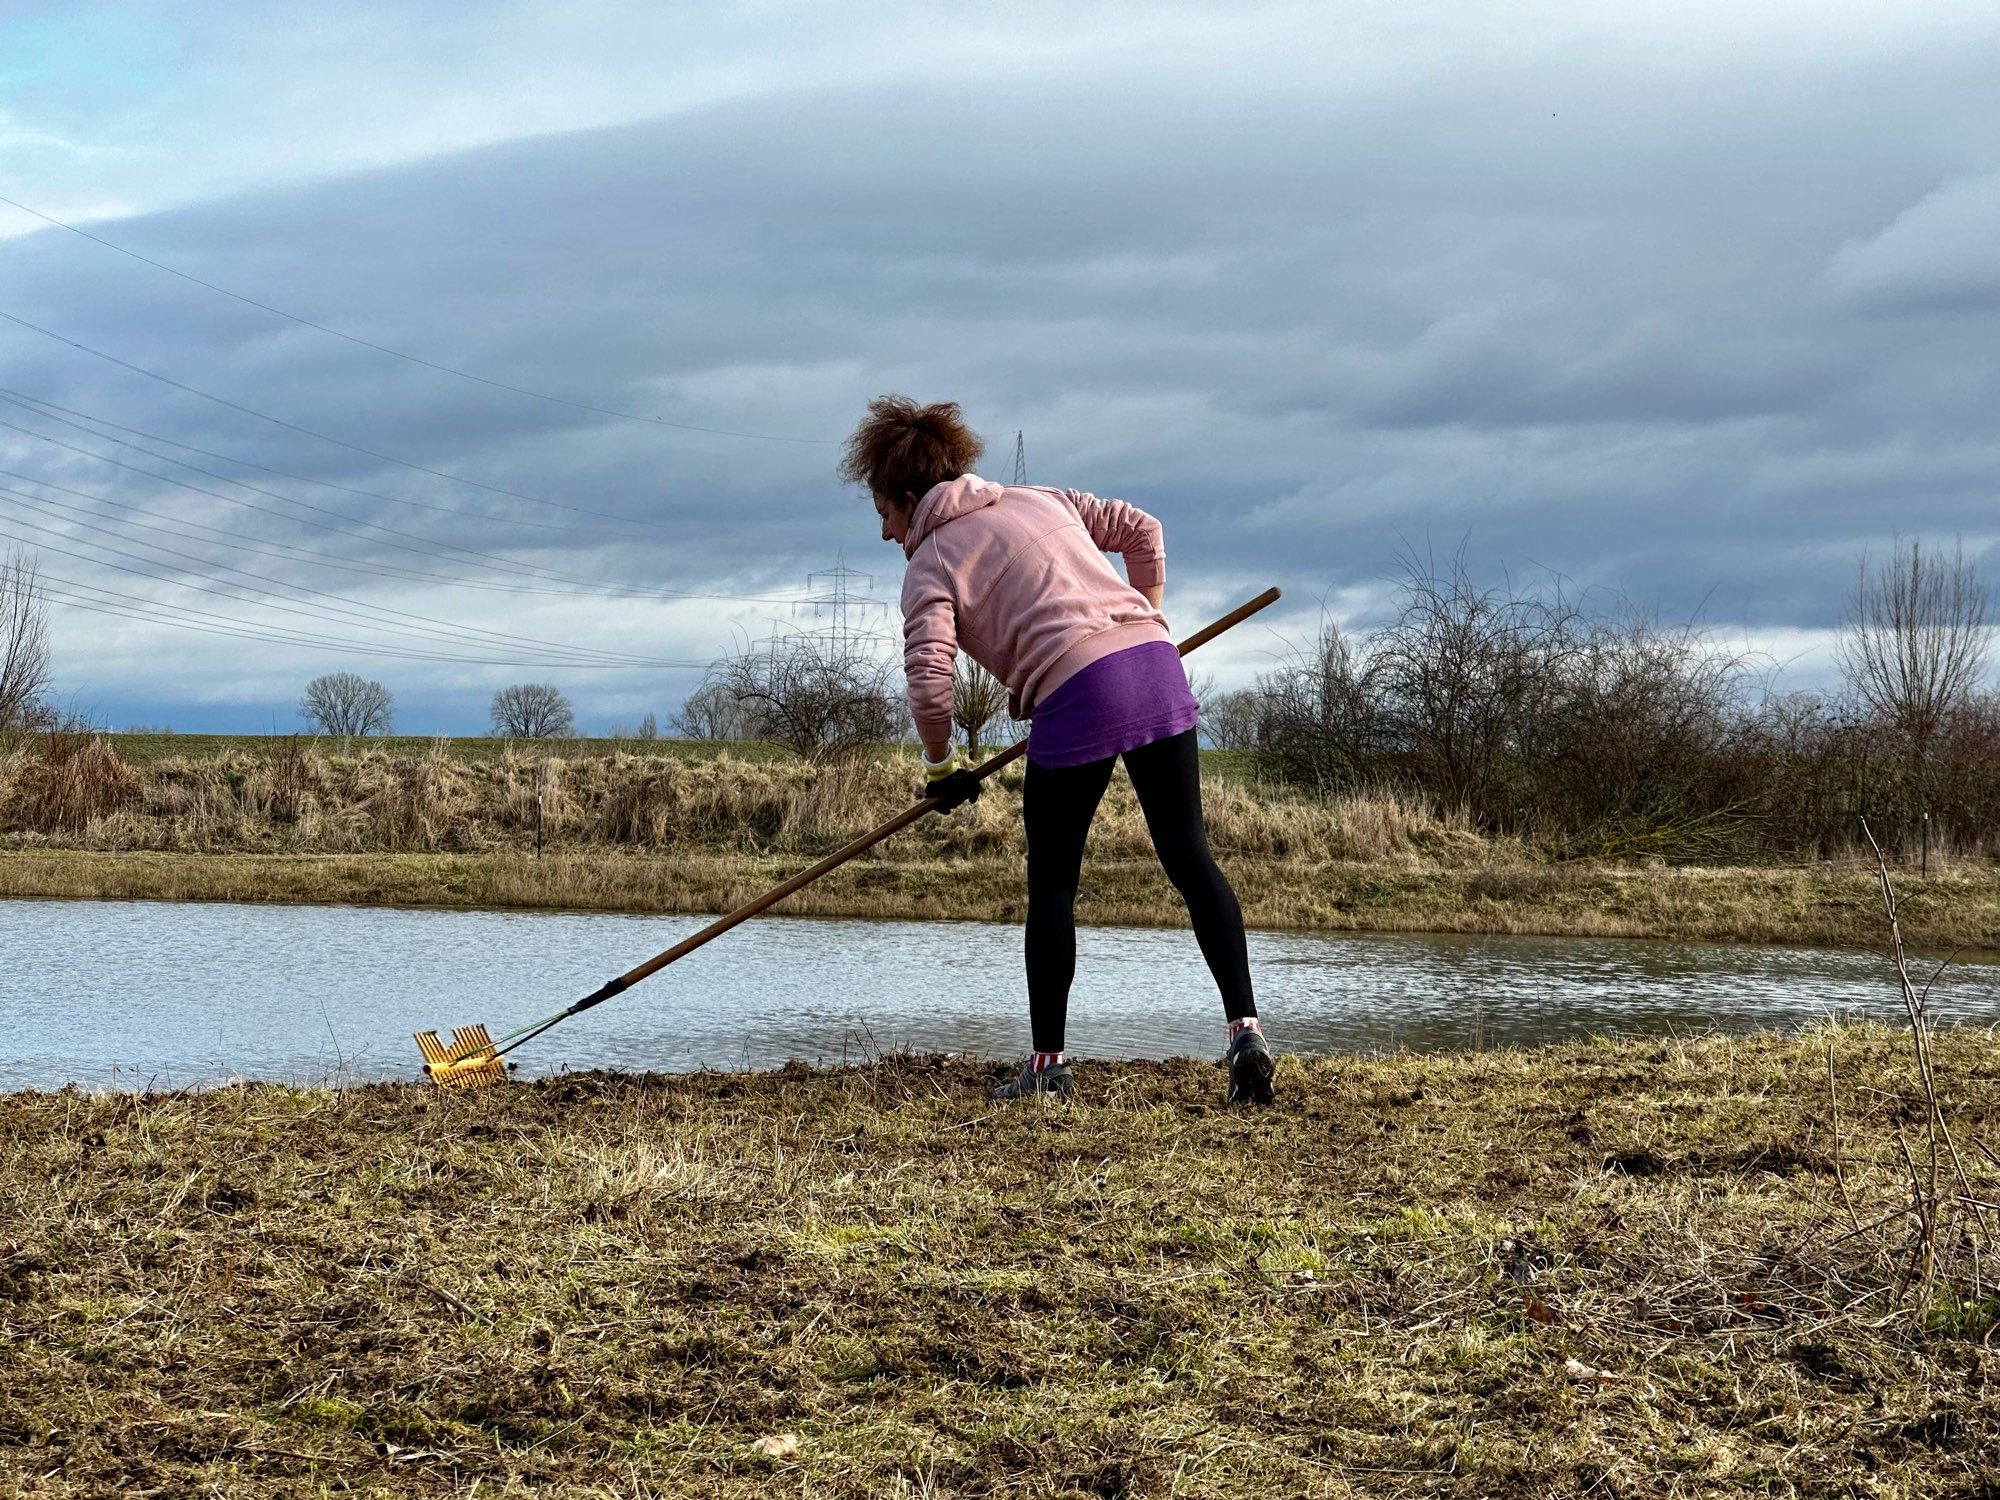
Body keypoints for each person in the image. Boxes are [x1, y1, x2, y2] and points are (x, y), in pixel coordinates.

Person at [838, 396, 1273, 1106]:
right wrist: (1146, 615)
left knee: (1054, 885)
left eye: (884, 513)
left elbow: (929, 681)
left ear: (911, 500)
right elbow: (1142, 528)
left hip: (1078, 691)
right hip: (1155, 664)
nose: (887, 533)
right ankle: (1246, 1032)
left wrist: (941, 765)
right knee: (1191, 859)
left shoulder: (930, 564)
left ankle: (1048, 1069)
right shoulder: (1041, 500)